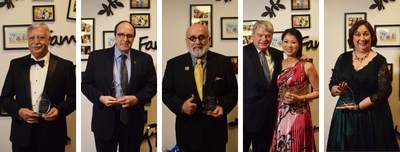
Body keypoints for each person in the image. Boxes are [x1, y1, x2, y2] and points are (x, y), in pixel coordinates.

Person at [81, 20, 156, 152]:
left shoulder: (145, 59)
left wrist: (137, 98)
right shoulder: (96, 57)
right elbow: (86, 84)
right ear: (115, 36)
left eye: (129, 35)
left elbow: (152, 86)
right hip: (104, 121)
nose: (125, 39)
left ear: (134, 37)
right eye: (121, 35)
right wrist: (100, 97)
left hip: (133, 121)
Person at [0, 23, 76, 152]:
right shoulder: (15, 64)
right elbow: (5, 97)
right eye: (32, 38)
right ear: (28, 41)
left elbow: (73, 98)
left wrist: (58, 110)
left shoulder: (65, 66)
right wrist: (19, 112)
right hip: (22, 135)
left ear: (49, 40)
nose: (36, 42)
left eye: (41, 37)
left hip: (53, 135)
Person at [162, 24, 238, 152]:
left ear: (209, 39)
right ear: (186, 41)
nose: (197, 42)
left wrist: (223, 107)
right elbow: (166, 93)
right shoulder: (174, 64)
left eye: (202, 37)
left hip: (216, 134)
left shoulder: (223, 62)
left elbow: (233, 91)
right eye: (192, 38)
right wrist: (181, 106)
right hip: (187, 133)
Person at [327, 20, 399, 151]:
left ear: (371, 36)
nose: (362, 38)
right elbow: (332, 83)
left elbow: (385, 90)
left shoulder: (380, 60)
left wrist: (359, 106)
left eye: (366, 34)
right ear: (352, 37)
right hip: (345, 117)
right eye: (357, 34)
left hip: (373, 117)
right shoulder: (343, 58)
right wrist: (337, 90)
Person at [269, 28, 319, 151]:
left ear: (299, 44)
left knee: (296, 145)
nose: (289, 45)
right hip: (281, 111)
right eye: (286, 41)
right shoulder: (277, 63)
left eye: (293, 42)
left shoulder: (307, 65)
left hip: (299, 113)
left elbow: (319, 91)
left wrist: (300, 97)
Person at [243, 20, 283, 152]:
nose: (264, 39)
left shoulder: (278, 55)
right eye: (260, 35)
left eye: (268, 35)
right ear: (253, 35)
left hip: (269, 116)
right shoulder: (243, 53)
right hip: (247, 117)